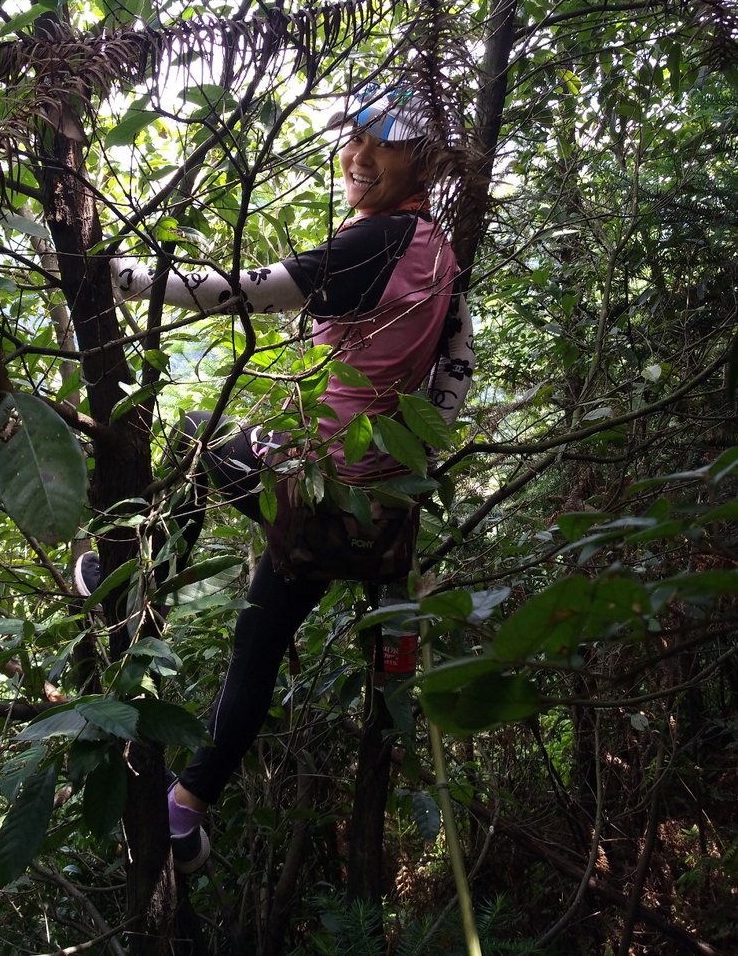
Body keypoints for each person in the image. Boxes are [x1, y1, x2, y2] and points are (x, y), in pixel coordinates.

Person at [75, 85, 475, 872]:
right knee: (257, 643)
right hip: (375, 511)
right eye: (354, 140)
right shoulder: (441, 250)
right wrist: (405, 468)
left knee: (195, 437)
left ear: (420, 161)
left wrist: (114, 278)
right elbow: (456, 368)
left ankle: (131, 573)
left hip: (316, 486)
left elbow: (242, 291)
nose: (359, 156)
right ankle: (185, 814)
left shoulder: (379, 241)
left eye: (381, 145)